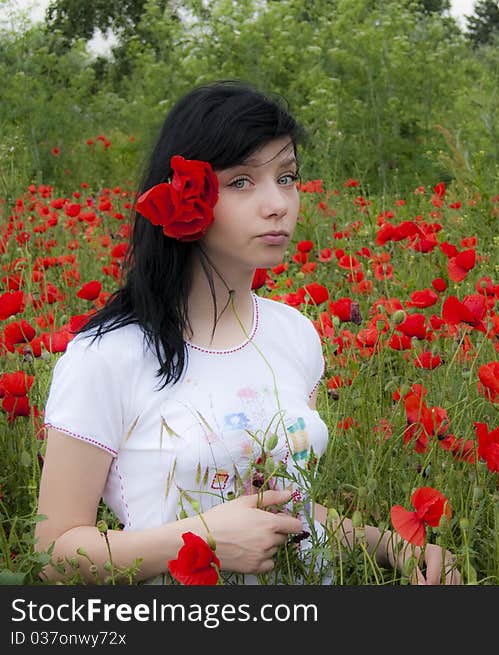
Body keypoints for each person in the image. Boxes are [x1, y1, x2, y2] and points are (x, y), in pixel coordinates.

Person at [34, 80, 460, 586]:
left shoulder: (293, 334)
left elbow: (288, 508)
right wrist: (204, 541)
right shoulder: (109, 355)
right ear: (185, 197)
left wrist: (392, 545)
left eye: (288, 177)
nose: (278, 203)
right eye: (241, 182)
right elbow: (56, 552)